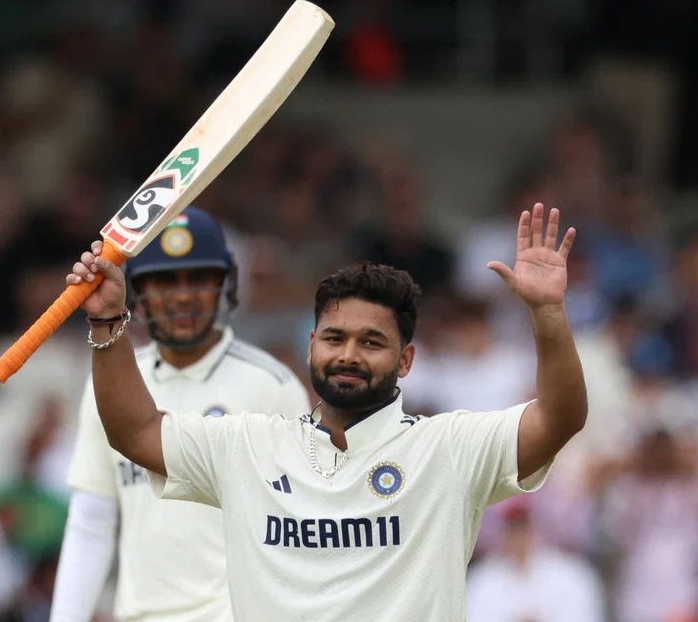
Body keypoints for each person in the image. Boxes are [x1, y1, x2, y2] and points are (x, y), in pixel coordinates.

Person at [67, 203, 587, 620]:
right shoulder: (248, 446)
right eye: (335, 338)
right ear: (311, 344)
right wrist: (109, 321)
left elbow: (559, 419)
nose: (348, 355)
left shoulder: (448, 449)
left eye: (372, 342)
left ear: (406, 359)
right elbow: (133, 430)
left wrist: (548, 314)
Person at [50, 207, 310, 622]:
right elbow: (91, 520)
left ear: (226, 285)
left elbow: (303, 531)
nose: (183, 295)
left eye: (200, 278)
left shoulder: (273, 387)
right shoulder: (109, 386)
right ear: (136, 292)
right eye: (165, 280)